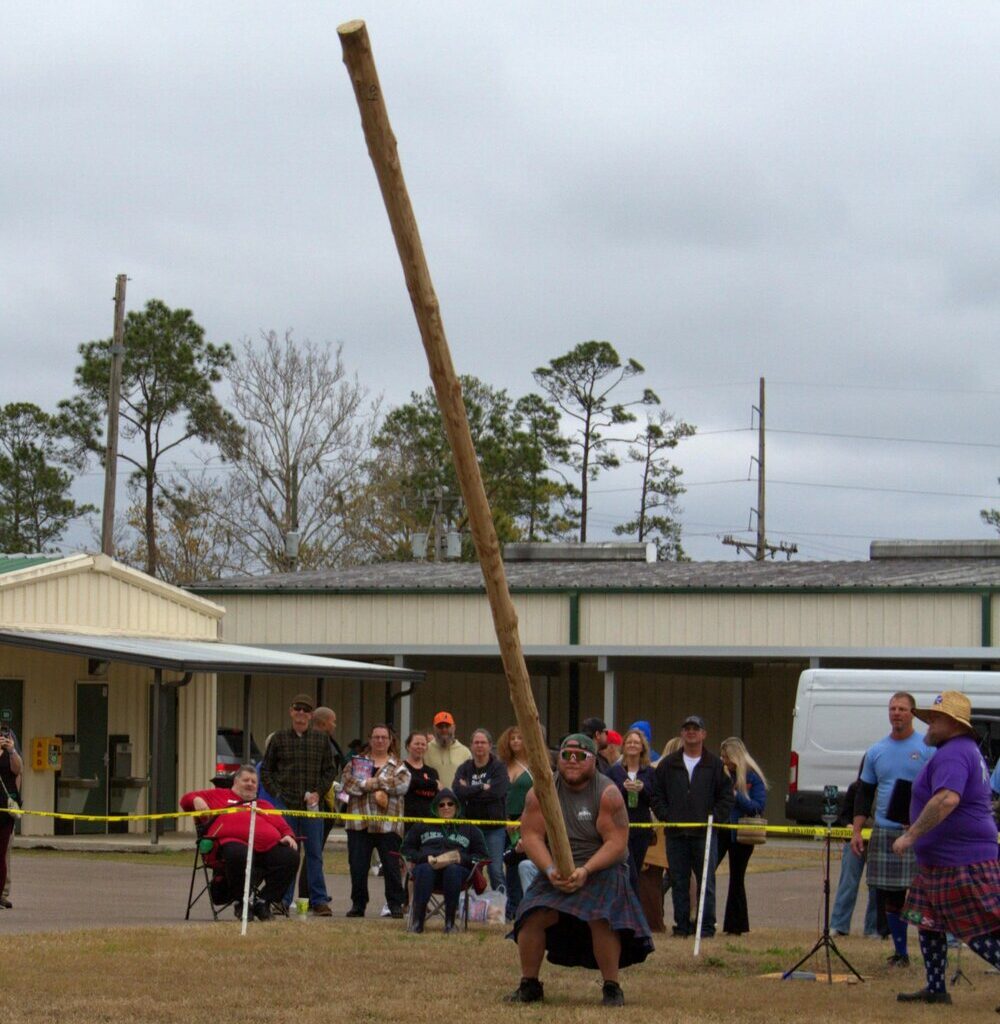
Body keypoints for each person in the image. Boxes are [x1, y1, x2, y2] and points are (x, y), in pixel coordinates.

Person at [508, 734, 653, 1007]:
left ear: (593, 760)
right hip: (558, 869)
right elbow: (531, 837)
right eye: (566, 755)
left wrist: (585, 871)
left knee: (602, 918)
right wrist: (551, 870)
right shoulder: (541, 791)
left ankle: (612, 987)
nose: (572, 761)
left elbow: (617, 844)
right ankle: (529, 985)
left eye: (579, 756)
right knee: (529, 917)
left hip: (601, 867)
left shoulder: (608, 792)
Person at [891, 691, 1000, 1006]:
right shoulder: (962, 750)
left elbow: (947, 799)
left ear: (953, 723)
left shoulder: (954, 753)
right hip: (942, 861)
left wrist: (911, 835)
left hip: (960, 862)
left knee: (974, 930)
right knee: (929, 922)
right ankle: (936, 988)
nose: (928, 724)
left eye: (934, 719)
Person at [851, 691, 933, 967]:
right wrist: (857, 832)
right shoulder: (876, 751)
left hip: (919, 830)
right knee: (890, 895)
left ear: (912, 713)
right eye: (892, 708)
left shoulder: (927, 747)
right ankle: (901, 953)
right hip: (886, 830)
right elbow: (864, 792)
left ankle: (931, 950)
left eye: (902, 709)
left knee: (925, 894)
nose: (896, 713)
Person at [180, 765, 299, 920]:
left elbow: (284, 827)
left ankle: (263, 901)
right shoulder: (218, 795)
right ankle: (240, 902)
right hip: (230, 845)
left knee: (291, 856)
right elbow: (185, 800)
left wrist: (288, 835)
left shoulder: (264, 805)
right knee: (238, 853)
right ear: (235, 782)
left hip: (265, 848)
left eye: (254, 782)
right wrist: (196, 800)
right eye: (246, 780)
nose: (250, 784)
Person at [651, 714, 733, 938]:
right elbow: (656, 794)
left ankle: (706, 926)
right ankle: (682, 925)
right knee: (679, 881)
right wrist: (666, 816)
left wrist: (714, 818)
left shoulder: (715, 765)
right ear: (682, 733)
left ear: (703, 734)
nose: (691, 732)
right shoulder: (669, 765)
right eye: (687, 728)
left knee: (706, 881)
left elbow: (726, 796)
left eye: (695, 728)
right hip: (676, 834)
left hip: (704, 834)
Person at [259, 693, 336, 915]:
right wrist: (277, 793)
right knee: (289, 852)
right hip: (287, 804)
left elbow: (330, 770)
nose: (301, 714)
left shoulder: (321, 740)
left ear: (311, 715)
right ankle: (283, 900)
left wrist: (318, 793)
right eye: (297, 709)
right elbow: (266, 769)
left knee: (315, 854)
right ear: (291, 712)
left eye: (306, 710)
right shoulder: (279, 738)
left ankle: (318, 900)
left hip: (312, 806)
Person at [341, 723, 411, 918]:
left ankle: (395, 904)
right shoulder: (357, 763)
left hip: (388, 826)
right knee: (358, 866)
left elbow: (402, 785)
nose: (380, 741)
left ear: (390, 741)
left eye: (384, 738)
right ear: (370, 740)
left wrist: (372, 783)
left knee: (391, 866)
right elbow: (347, 784)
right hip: (359, 824)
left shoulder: (398, 765)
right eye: (376, 737)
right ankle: (358, 904)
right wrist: (366, 784)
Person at [400, 788, 489, 933]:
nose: (446, 807)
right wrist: (424, 858)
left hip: (458, 874)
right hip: (427, 871)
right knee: (424, 869)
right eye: (441, 805)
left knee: (452, 870)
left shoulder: (470, 829)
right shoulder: (422, 825)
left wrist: (463, 858)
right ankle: (418, 922)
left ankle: (450, 923)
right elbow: (405, 850)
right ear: (435, 807)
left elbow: (482, 856)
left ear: (457, 806)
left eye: (450, 804)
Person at [716, 737, 767, 936]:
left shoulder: (752, 777)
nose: (723, 760)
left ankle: (736, 925)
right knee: (707, 870)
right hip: (722, 830)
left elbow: (758, 806)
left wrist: (738, 796)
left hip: (742, 832)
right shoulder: (721, 775)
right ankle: (704, 919)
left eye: (725, 756)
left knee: (737, 877)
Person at [453, 728, 508, 891]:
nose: (479, 746)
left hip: (494, 828)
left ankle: (502, 908)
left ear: (490, 745)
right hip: (470, 828)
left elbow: (496, 793)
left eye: (483, 742)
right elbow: (457, 791)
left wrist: (469, 789)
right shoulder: (464, 768)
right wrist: (482, 787)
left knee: (495, 870)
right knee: (470, 868)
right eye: (476, 742)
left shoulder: (498, 768)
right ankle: (469, 907)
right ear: (471, 746)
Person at [297, 706, 343, 903]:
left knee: (313, 852)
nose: (335, 724)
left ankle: (309, 890)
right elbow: (327, 773)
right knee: (314, 851)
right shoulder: (321, 742)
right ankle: (309, 893)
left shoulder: (319, 740)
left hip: (322, 801)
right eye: (333, 721)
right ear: (323, 723)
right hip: (317, 803)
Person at [830, 759, 880, 937]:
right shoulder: (855, 788)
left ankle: (873, 928)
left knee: (876, 886)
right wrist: (849, 826)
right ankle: (839, 924)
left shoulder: (885, 789)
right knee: (848, 883)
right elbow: (843, 817)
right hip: (855, 842)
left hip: (877, 842)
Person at [607, 728, 656, 886]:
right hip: (619, 827)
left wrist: (642, 790)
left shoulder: (649, 772)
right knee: (629, 872)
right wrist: (623, 789)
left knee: (636, 871)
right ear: (624, 746)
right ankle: (631, 907)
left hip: (641, 829)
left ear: (642, 747)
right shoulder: (614, 771)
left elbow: (654, 799)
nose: (633, 745)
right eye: (629, 742)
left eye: (636, 742)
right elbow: (607, 797)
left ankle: (631, 906)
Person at [498, 725, 533, 918]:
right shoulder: (501, 766)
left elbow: (540, 796)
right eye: (513, 739)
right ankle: (511, 907)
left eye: (520, 738)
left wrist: (521, 821)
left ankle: (525, 906)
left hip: (527, 819)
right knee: (507, 864)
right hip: (504, 820)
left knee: (525, 863)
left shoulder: (534, 767)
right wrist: (505, 821)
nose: (516, 742)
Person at [0, 726, 21, 908]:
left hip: (5, 809)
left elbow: (18, 771)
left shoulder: (9, 736)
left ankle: (2, 893)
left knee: (4, 853)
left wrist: (11, 749)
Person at [424, 710, 472, 789]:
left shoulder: (465, 752)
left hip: (457, 800)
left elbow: (470, 781)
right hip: (433, 800)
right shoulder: (425, 750)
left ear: (454, 727)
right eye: (440, 727)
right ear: (434, 728)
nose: (444, 730)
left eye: (447, 726)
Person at [403, 731, 439, 821]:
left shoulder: (432, 772)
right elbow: (408, 783)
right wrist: (433, 784)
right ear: (408, 746)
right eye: (416, 744)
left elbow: (438, 794)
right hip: (407, 822)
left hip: (429, 823)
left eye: (423, 744)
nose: (420, 747)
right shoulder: (401, 768)